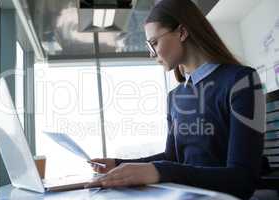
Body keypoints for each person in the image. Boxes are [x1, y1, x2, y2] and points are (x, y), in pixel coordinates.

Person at [85, 0, 265, 199]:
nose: (151, 53)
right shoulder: (175, 97)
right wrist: (118, 164)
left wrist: (161, 171)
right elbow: (172, 158)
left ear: (182, 32)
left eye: (154, 43)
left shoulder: (241, 80)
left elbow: (242, 180)